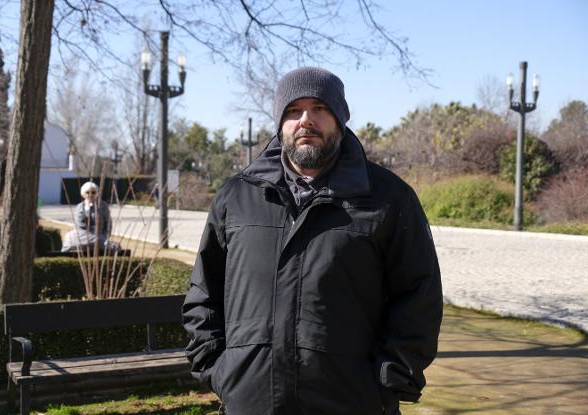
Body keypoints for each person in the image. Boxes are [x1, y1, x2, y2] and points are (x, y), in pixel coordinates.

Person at [182, 67, 443, 415]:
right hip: (251, 401)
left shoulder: (388, 198)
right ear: (280, 122)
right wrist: (219, 371)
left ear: (340, 118)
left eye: (319, 108)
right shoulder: (236, 197)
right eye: (293, 110)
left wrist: (386, 384)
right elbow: (204, 294)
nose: (306, 120)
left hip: (352, 403)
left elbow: (419, 299)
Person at [61, 181, 114, 252]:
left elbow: (108, 224)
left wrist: (104, 237)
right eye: (87, 192)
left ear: (97, 193)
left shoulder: (103, 206)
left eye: (93, 192)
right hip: (84, 239)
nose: (90, 194)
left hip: (100, 239)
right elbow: (79, 226)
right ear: (83, 193)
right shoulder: (80, 207)